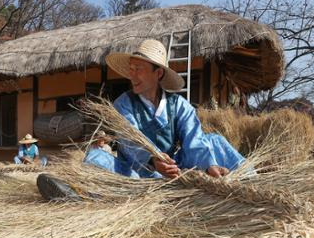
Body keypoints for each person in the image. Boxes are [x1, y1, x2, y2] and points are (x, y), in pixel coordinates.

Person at [85, 38, 245, 179]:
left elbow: (193, 140)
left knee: (215, 141)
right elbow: (130, 141)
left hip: (174, 170)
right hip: (137, 174)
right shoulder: (124, 103)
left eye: (138, 69)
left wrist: (209, 165)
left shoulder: (179, 105)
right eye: (131, 69)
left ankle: (251, 179)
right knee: (95, 157)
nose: (132, 75)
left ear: (158, 73)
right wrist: (153, 160)